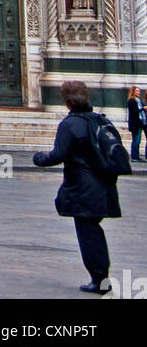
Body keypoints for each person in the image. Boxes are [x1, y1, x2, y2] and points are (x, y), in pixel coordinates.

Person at [33, 79, 122, 294]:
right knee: (94, 230)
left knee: (88, 234)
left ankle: (100, 280)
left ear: (67, 102)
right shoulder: (99, 120)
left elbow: (58, 155)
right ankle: (102, 278)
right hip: (105, 184)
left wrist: (39, 158)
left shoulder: (70, 124)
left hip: (83, 187)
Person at [125, 84, 145, 162]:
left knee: (138, 140)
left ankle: (136, 156)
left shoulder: (138, 101)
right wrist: (143, 109)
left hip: (139, 124)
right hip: (135, 124)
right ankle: (134, 156)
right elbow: (135, 112)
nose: (138, 92)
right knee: (136, 140)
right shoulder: (132, 101)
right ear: (133, 92)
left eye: (139, 91)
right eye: (137, 91)